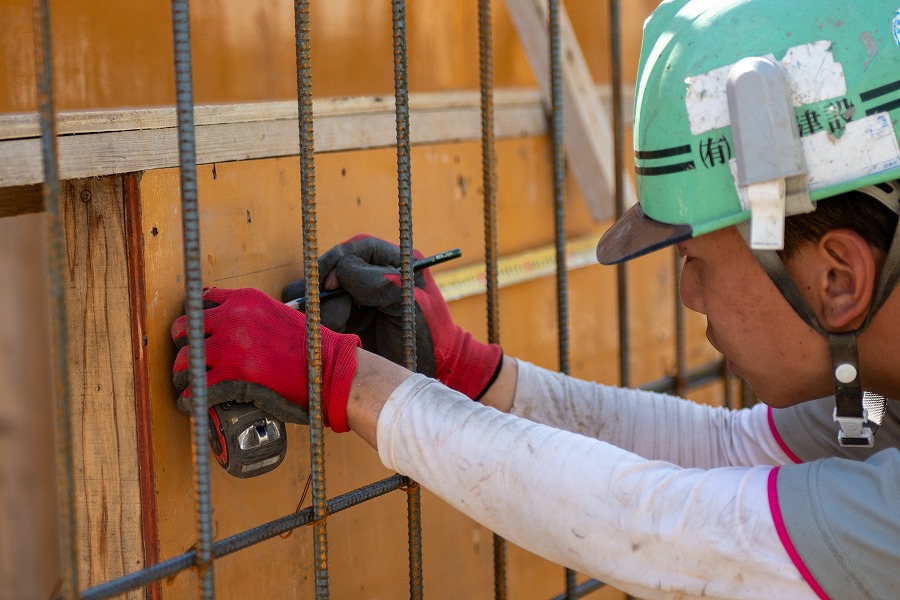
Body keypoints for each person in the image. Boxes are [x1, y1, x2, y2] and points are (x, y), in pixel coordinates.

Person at [171, 1, 900, 598]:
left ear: (837, 279)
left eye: (694, 258)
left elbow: (686, 535)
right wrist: (466, 372)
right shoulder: (877, 387)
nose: (686, 293)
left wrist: (350, 383)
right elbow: (729, 454)